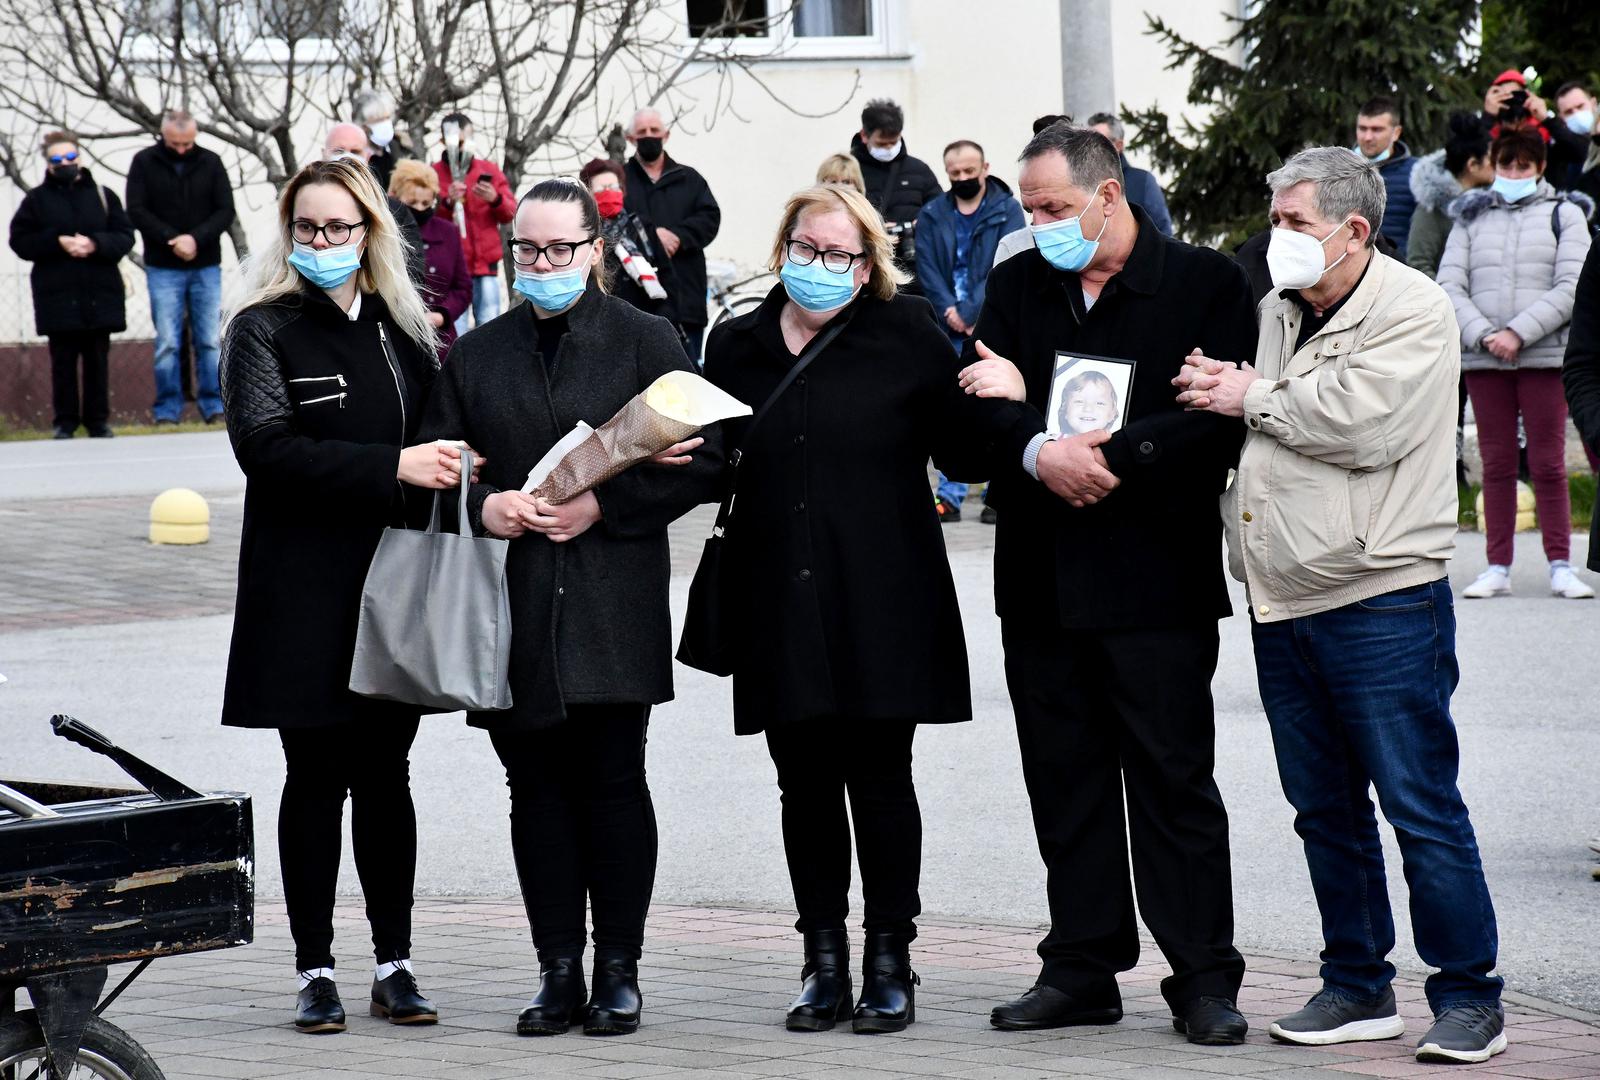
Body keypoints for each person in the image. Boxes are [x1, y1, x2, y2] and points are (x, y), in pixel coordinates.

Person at [1175, 145, 1508, 1065]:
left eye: (1294, 224)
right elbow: (1272, 417)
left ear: (1355, 231)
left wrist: (1251, 395)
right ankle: (1359, 984)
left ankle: (1470, 994)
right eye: (1274, 220)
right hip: (1285, 596)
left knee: (1419, 805)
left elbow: (1365, 427)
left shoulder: (1413, 306)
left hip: (1381, 596)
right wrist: (1223, 393)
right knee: (1323, 808)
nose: (1276, 238)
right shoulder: (1280, 309)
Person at [701, 183, 1027, 1036]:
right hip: (777, 591)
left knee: (880, 780)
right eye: (807, 249)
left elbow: (961, 452)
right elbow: (708, 458)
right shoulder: (733, 346)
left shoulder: (907, 334)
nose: (820, 266)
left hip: (884, 591)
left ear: (868, 263)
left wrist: (1002, 392)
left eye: (839, 254)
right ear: (783, 246)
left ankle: (890, 956)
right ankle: (823, 960)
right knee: (802, 783)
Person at [963, 123, 1257, 1045]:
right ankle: (1083, 966)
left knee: (1173, 783)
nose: (1038, 223)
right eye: (1028, 207)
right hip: (1042, 584)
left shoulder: (1206, 283)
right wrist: (1034, 449)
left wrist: (1117, 455)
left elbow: (1215, 422)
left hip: (1157, 584)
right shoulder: (1017, 284)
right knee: (1065, 780)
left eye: (1053, 207)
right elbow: (968, 420)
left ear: (1108, 194)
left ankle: (1204, 977)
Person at [418, 178, 723, 1038]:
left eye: (560, 249)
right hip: (510, 603)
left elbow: (710, 458)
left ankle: (618, 968)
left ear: (595, 250)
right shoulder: (477, 353)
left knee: (614, 781)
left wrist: (607, 506)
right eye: (526, 251)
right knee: (535, 790)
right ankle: (557, 967)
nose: (542, 265)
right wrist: (486, 508)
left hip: (608, 597)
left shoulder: (644, 338)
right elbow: (439, 467)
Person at [218, 156, 467, 1035]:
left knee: (386, 775)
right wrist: (387, 465)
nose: (323, 243)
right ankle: (314, 969)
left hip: (391, 585)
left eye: (339, 228)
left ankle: (394, 963)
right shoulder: (262, 329)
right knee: (315, 777)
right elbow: (266, 449)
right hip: (301, 587)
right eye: (308, 229)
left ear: (371, 233)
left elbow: (449, 432)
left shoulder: (404, 332)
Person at [1437, 126, 1594, 600]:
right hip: (1484, 359)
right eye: (1506, 164)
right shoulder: (1470, 217)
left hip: (1543, 356)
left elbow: (1574, 286)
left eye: (1523, 166)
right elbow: (1448, 284)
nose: (1513, 173)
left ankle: (1561, 564)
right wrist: (1485, 335)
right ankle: (1497, 565)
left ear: (1540, 168)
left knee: (1547, 464)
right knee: (1497, 464)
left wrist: (1518, 333)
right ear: (1495, 165)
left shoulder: (1565, 215)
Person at [915, 139, 1025, 522]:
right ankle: (950, 494)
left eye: (968, 171)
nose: (962, 178)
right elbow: (925, 264)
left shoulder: (1007, 209)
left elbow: (1006, 262)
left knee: (998, 402)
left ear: (985, 167)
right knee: (953, 407)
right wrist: (948, 309)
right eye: (954, 173)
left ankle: (998, 490)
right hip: (946, 323)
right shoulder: (932, 214)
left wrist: (972, 312)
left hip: (992, 320)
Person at [8, 131, 135, 439]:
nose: (65, 163)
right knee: (62, 363)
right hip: (58, 295)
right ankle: (64, 422)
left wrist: (95, 244)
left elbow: (124, 236)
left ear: (79, 158)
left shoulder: (104, 196)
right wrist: (56, 242)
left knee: (97, 362)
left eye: (70, 157)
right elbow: (20, 241)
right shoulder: (36, 201)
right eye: (57, 159)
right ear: (48, 163)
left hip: (98, 293)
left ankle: (98, 421)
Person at [125, 108, 235, 424]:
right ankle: (167, 409)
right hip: (163, 267)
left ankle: (214, 405)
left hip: (205, 265)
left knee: (209, 340)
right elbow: (136, 209)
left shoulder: (211, 162)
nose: (182, 150)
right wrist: (172, 239)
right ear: (164, 135)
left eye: (188, 144)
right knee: (168, 342)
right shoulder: (144, 163)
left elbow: (225, 209)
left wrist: (196, 239)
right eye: (176, 144)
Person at [622, 107, 722, 364]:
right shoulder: (620, 181)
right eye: (642, 132)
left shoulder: (690, 179)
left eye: (654, 130)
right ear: (630, 139)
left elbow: (710, 218)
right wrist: (651, 238)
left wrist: (678, 237)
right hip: (633, 305)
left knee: (685, 380)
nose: (649, 136)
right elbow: (610, 224)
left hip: (686, 302)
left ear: (666, 135)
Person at [431, 112, 517, 335]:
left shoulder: (488, 170)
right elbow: (429, 222)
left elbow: (510, 212)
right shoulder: (434, 174)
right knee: (455, 332)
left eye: (467, 140)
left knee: (490, 330)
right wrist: (447, 203)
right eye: (457, 142)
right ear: (443, 141)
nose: (463, 147)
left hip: (485, 266)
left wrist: (495, 199)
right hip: (452, 269)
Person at [849, 99, 943, 292]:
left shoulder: (919, 170)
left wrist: (921, 225)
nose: (889, 148)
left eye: (894, 142)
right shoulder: (848, 171)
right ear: (864, 136)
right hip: (865, 270)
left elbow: (941, 212)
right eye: (882, 144)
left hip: (913, 272)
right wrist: (874, 228)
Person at [388, 159, 471, 361]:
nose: (420, 208)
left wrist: (441, 316)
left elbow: (463, 288)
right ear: (396, 198)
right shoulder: (385, 235)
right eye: (412, 203)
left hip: (442, 342)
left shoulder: (448, 231)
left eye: (426, 203)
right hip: (397, 342)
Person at [324, 123, 424, 282]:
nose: (347, 157)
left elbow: (413, 271)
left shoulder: (394, 211)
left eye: (355, 151)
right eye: (338, 150)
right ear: (324, 154)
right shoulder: (304, 205)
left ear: (368, 156)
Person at [1407, 113, 1495, 279]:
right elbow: (1418, 264)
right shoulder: (1432, 208)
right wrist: (1450, 297)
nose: (1496, 164)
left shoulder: (1495, 201)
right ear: (1473, 165)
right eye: (1491, 158)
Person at [578, 157, 668, 317]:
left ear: (622, 190)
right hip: (599, 318)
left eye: (613, 187)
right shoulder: (582, 231)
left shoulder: (640, 226)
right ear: (588, 194)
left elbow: (667, 271)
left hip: (644, 317)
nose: (608, 192)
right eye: (601, 189)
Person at [1482, 69, 1592, 192]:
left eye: (1515, 96)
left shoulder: (1546, 135)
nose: (1511, 102)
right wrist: (1487, 118)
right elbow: (1474, 160)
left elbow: (1582, 153)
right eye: (1503, 97)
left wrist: (1546, 120)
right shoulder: (1487, 132)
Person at [993, 115, 1072, 266]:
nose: (1039, 223)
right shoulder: (1014, 249)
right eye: (1031, 210)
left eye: (1053, 207)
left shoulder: (1111, 245)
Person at [1086, 113, 1172, 236]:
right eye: (1087, 142)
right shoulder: (1080, 181)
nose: (1091, 149)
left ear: (1118, 146)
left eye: (1099, 142)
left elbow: (1163, 232)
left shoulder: (1142, 181)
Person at [1353, 96, 1417, 259]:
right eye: (1362, 128)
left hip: (1399, 271)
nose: (1367, 137)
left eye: (1376, 130)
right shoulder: (1336, 171)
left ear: (1396, 132)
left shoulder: (1418, 174)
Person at [1554, 81, 1600, 202]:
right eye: (1568, 112)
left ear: (1593, 104)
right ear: (1561, 117)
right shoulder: (1559, 155)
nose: (1576, 114)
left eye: (1580, 107)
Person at [354, 88, 405, 192]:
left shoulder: (402, 150)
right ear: (364, 126)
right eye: (379, 120)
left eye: (387, 118)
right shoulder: (356, 157)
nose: (385, 124)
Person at [1055, 371, 1119, 435]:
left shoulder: (1118, 444)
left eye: (1099, 403)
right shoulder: (1051, 442)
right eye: (1079, 401)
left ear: (1112, 414)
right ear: (1065, 409)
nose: (1088, 409)